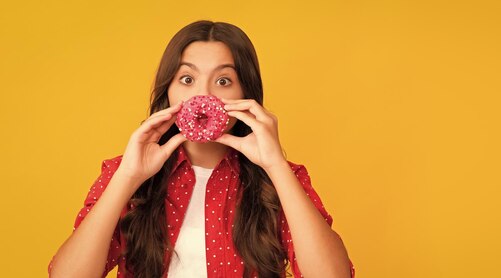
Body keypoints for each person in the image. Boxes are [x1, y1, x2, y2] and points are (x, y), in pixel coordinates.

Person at [48, 20, 355, 278]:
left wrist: (275, 165)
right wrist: (128, 176)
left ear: (245, 94)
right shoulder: (124, 173)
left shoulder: (280, 180)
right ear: (168, 91)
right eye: (187, 78)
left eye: (223, 80)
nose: (202, 94)